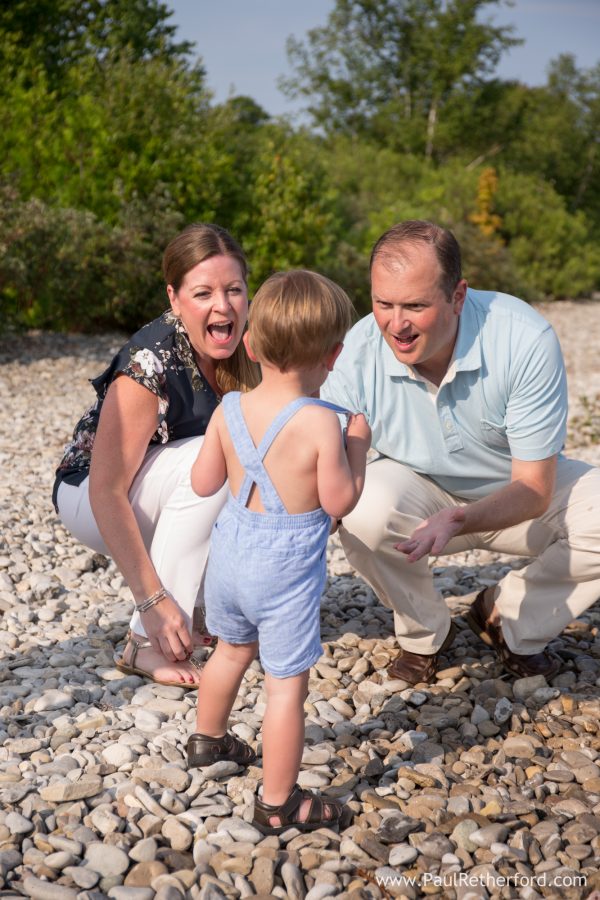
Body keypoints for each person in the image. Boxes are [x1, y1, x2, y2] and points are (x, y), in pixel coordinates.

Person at [321, 219, 600, 685]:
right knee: (360, 509)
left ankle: (507, 617)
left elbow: (533, 487)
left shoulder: (522, 338)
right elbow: (323, 463)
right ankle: (425, 633)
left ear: (458, 295)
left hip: (518, 497)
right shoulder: (358, 349)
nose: (395, 324)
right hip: (417, 492)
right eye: (383, 303)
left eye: (414, 305)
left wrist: (461, 519)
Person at [186, 270, 371, 834]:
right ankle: (277, 802)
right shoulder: (321, 422)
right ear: (334, 355)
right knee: (286, 685)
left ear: (251, 343)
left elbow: (202, 483)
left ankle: (208, 740)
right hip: (284, 570)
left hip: (232, 557)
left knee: (230, 653)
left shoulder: (231, 407)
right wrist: (357, 448)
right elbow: (339, 501)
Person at [53, 223, 259, 687]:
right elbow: (107, 491)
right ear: (174, 298)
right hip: (93, 495)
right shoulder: (150, 361)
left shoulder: (251, 347)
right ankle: (146, 642)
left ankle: (202, 614)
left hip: (166, 485)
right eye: (203, 293)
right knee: (212, 461)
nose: (222, 306)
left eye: (234, 290)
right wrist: (152, 601)